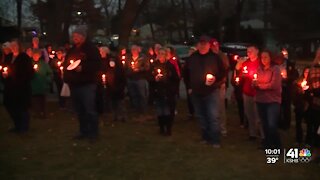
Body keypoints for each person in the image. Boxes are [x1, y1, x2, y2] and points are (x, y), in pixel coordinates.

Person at [185, 36, 226, 148]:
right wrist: (189, 87)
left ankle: (215, 139)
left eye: (205, 44)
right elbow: (186, 74)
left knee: (213, 116)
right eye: (201, 44)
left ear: (209, 45)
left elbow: (223, 72)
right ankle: (205, 137)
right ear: (198, 45)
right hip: (196, 92)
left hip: (211, 91)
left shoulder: (215, 57)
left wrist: (215, 79)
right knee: (201, 116)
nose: (203, 46)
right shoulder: (192, 58)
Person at [63, 26, 101, 140]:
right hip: (75, 84)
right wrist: (67, 78)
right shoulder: (72, 50)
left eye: (77, 36)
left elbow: (97, 65)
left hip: (87, 84)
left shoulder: (91, 49)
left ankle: (93, 133)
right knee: (80, 111)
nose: (74, 38)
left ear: (83, 37)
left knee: (89, 110)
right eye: (73, 36)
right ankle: (83, 131)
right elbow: (66, 65)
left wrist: (83, 67)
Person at [2, 39, 34, 133]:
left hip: (21, 88)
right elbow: (4, 68)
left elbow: (29, 73)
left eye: (15, 45)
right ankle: (17, 125)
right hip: (10, 87)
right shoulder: (9, 57)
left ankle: (24, 127)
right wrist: (4, 75)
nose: (13, 47)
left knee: (21, 107)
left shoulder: (24, 57)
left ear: (19, 46)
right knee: (9, 105)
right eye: (11, 46)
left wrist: (14, 75)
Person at [253, 50, 282, 149]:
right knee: (264, 123)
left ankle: (277, 145)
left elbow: (274, 85)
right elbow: (257, 82)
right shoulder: (259, 69)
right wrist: (255, 84)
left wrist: (260, 86)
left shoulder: (275, 69)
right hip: (260, 100)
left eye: (266, 57)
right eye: (262, 57)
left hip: (272, 100)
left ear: (270, 58)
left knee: (272, 124)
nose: (263, 60)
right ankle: (267, 143)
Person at [237, 45, 264, 141]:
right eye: (247, 51)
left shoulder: (261, 63)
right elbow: (240, 76)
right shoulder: (245, 63)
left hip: (258, 93)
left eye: (251, 51)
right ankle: (252, 134)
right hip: (247, 91)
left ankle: (262, 135)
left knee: (259, 116)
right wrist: (242, 75)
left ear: (257, 51)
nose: (248, 53)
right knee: (249, 114)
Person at [151, 48, 179, 136]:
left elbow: (176, 79)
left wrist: (167, 79)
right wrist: (155, 79)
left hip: (167, 92)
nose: (161, 56)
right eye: (159, 54)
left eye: (163, 54)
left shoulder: (170, 66)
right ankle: (161, 128)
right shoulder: (154, 65)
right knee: (160, 111)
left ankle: (168, 129)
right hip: (158, 92)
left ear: (166, 55)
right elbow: (149, 77)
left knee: (167, 111)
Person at [99, 46, 126, 121]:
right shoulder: (102, 60)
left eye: (101, 52)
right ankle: (114, 115)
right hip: (109, 83)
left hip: (116, 82)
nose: (100, 53)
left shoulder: (112, 59)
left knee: (119, 101)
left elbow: (117, 71)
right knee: (112, 100)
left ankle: (121, 116)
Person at [210, 38, 230, 136]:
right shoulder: (209, 56)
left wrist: (223, 82)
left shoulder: (222, 56)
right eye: (213, 46)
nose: (215, 48)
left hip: (220, 84)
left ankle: (222, 128)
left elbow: (226, 70)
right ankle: (213, 126)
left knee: (220, 107)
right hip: (210, 85)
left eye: (216, 46)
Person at [125, 44, 150, 117]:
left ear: (138, 50)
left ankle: (143, 110)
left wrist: (139, 69)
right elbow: (125, 67)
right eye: (132, 50)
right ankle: (136, 109)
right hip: (131, 78)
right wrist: (129, 72)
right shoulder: (128, 57)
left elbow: (147, 67)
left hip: (140, 78)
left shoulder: (143, 57)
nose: (133, 51)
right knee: (133, 95)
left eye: (135, 49)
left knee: (142, 95)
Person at [305, 48, 320, 162]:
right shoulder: (315, 69)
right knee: (317, 129)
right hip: (317, 104)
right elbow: (315, 88)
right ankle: (315, 152)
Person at [31, 49, 53, 119]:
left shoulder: (43, 64)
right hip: (33, 86)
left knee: (43, 101)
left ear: (39, 55)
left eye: (37, 55)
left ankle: (44, 114)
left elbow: (50, 73)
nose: (35, 56)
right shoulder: (29, 63)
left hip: (43, 85)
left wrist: (48, 79)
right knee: (35, 101)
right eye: (34, 55)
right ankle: (37, 114)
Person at [292, 67, 310, 146]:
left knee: (309, 124)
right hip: (299, 105)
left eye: (309, 72)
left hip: (309, 106)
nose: (307, 74)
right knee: (298, 123)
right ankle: (298, 139)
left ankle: (308, 140)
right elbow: (294, 94)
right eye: (305, 72)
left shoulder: (312, 82)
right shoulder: (298, 82)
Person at [182, 46, 197, 119]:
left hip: (197, 83)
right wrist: (188, 85)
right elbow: (185, 74)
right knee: (190, 98)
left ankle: (197, 111)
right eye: (190, 52)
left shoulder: (198, 60)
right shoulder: (188, 61)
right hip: (189, 83)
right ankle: (192, 112)